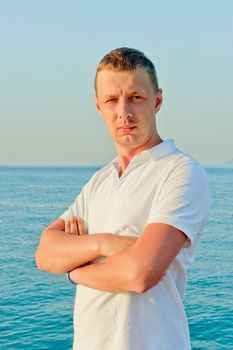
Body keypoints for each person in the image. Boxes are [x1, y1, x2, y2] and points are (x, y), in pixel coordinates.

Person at [35, 47, 210, 350]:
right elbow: (45, 254)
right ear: (98, 106)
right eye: (112, 100)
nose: (124, 112)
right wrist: (103, 243)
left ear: (157, 101)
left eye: (136, 98)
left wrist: (75, 271)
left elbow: (139, 274)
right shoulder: (100, 181)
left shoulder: (181, 172)